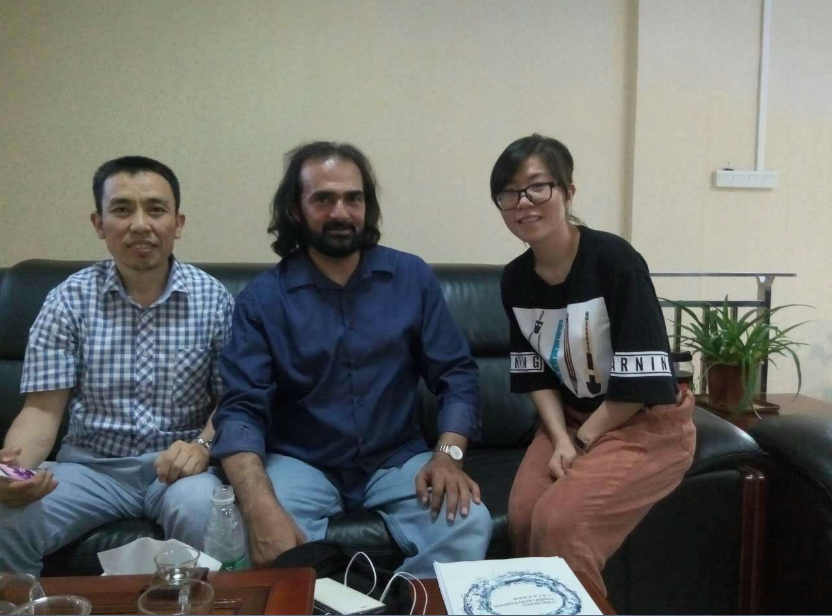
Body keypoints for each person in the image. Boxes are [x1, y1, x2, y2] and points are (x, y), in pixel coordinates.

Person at [211, 141, 492, 577]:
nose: (340, 212)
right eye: (323, 199)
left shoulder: (411, 278)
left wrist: (448, 455)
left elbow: (456, 375)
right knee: (263, 535)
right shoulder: (262, 300)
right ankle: (329, 605)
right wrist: (257, 504)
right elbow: (241, 410)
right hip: (300, 461)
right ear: (296, 210)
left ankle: (405, 603)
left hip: (395, 458)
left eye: (353, 199)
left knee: (468, 520)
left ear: (367, 207)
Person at [0, 156, 233, 574]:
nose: (140, 224)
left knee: (204, 510)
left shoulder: (213, 299)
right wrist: (11, 472)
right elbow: (41, 412)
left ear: (177, 223)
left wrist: (202, 446)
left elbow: (231, 399)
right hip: (90, 469)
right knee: (7, 516)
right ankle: (22, 604)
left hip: (178, 468)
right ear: (99, 223)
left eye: (155, 210)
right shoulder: (68, 300)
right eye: (122, 210)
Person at [493, 134, 696, 594]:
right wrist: (562, 438)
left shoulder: (614, 260)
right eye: (508, 193)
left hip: (644, 423)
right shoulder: (515, 279)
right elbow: (535, 373)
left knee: (559, 523)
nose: (523, 202)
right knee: (522, 517)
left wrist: (581, 442)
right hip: (569, 420)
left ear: (568, 192)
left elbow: (641, 383)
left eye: (537, 187)